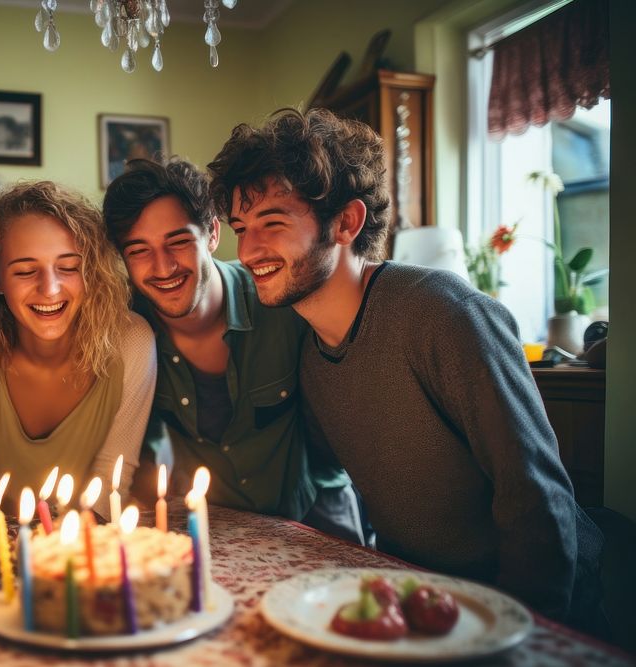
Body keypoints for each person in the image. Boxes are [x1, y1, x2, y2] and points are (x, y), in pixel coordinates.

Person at [206, 106, 604, 631]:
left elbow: (536, 498)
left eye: (273, 223)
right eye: (241, 228)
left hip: (543, 609)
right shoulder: (307, 353)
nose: (249, 249)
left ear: (347, 222)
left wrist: (527, 634)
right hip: (419, 600)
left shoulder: (443, 314)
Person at [102, 158, 364, 542]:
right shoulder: (130, 332)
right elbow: (140, 446)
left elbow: (337, 422)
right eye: (139, 250)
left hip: (312, 517)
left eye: (177, 241)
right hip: (215, 529)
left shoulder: (281, 300)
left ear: (211, 233)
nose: (162, 267)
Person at [0, 181, 156, 521]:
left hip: (73, 545)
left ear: (90, 271)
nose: (49, 289)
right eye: (26, 271)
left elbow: (112, 477)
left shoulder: (132, 340)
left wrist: (61, 552)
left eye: (69, 267)